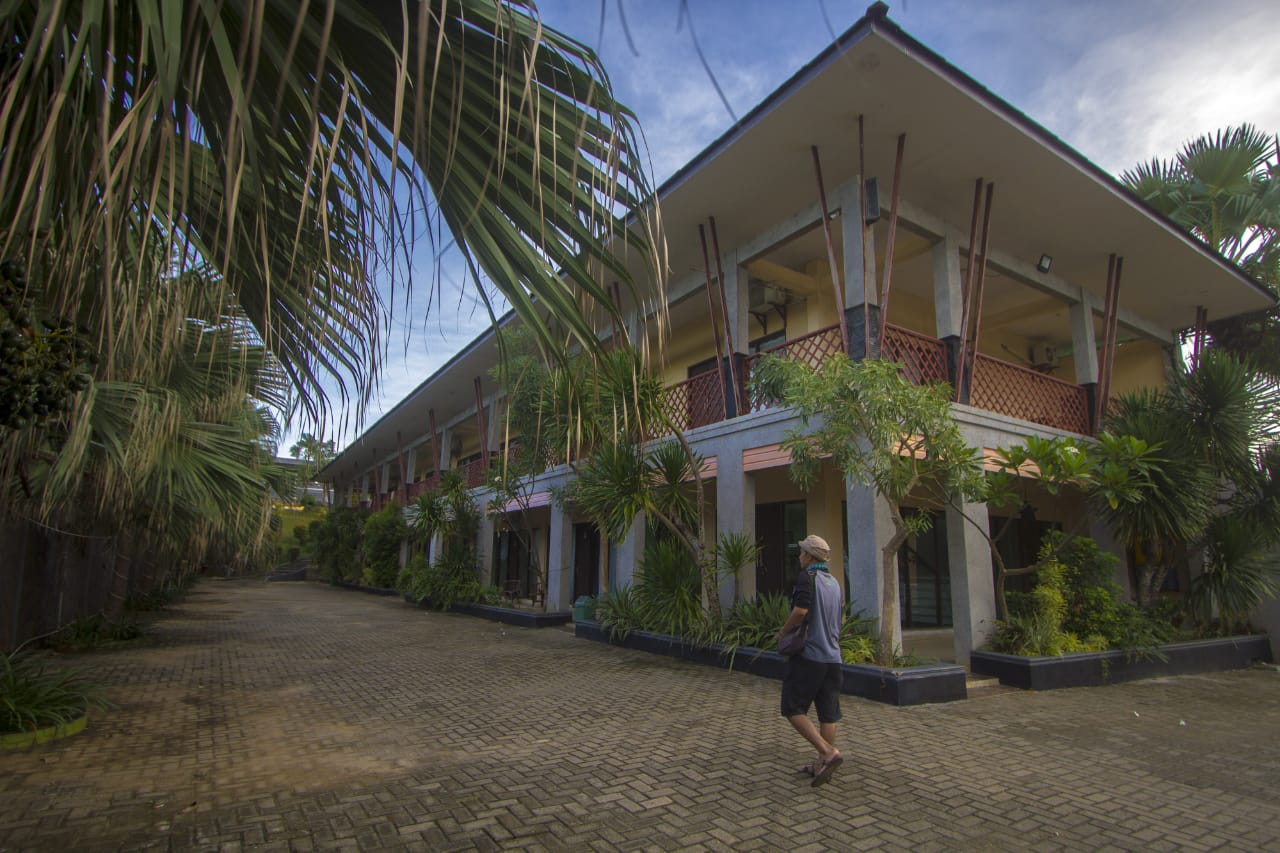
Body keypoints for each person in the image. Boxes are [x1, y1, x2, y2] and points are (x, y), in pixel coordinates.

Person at [775, 534, 844, 787]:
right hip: (833, 657)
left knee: (792, 708)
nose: (799, 556)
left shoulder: (808, 578)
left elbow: (801, 610)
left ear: (810, 557)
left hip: (810, 656)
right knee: (828, 714)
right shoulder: (834, 582)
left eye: (802, 552)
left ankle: (827, 752)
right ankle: (822, 764)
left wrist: (783, 632)